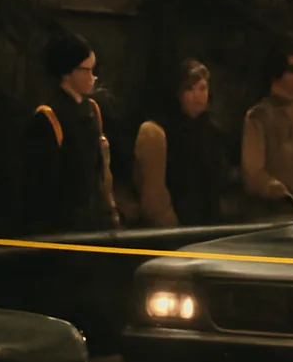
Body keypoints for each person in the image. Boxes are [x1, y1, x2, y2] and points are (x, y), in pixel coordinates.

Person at [22, 32, 119, 234]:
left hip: (95, 217)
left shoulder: (92, 109)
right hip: (63, 222)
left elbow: (100, 169)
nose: (93, 78)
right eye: (87, 70)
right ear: (68, 73)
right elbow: (42, 182)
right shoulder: (49, 116)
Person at [133, 59, 230, 227]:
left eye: (202, 88)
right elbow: (153, 191)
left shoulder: (213, 131)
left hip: (209, 223)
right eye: (190, 89)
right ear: (178, 94)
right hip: (174, 224)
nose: (198, 96)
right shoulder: (160, 131)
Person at [241, 42, 293, 218]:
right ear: (276, 74)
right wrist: (283, 193)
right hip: (271, 213)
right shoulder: (260, 115)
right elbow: (253, 174)